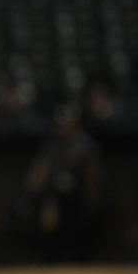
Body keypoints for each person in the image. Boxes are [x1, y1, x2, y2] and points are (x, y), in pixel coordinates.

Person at [24, 103, 101, 264]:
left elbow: (92, 172)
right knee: (48, 226)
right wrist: (38, 199)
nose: (64, 127)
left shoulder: (84, 143)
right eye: (61, 123)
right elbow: (38, 172)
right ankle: (51, 262)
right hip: (54, 197)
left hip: (77, 197)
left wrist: (91, 195)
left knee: (81, 226)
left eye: (68, 122)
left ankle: (80, 262)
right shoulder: (52, 144)